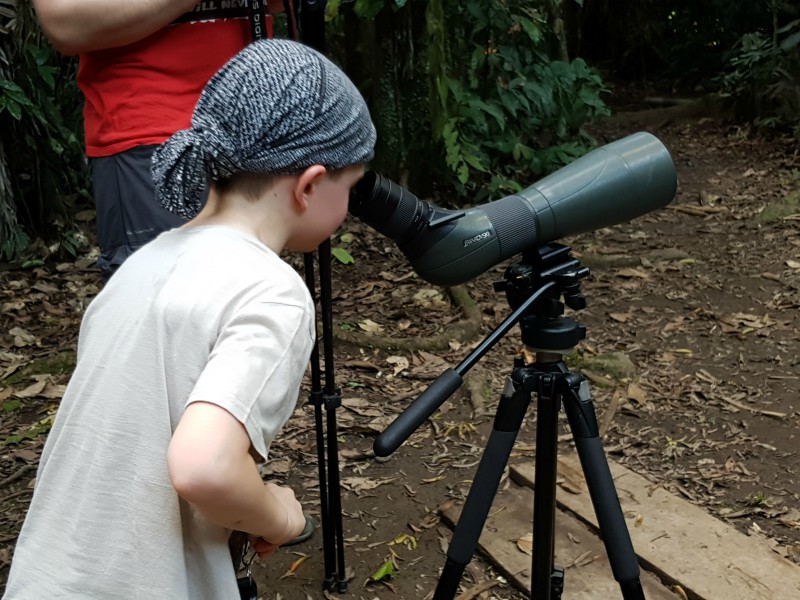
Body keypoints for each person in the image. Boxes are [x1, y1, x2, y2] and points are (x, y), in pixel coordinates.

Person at [2, 38, 376, 599]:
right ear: (310, 184)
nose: (348, 209)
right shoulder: (272, 292)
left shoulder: (141, 265)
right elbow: (205, 466)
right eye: (352, 187)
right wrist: (279, 516)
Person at [31, 0, 286, 278]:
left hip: (253, 130)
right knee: (170, 301)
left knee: (250, 294)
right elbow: (66, 23)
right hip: (152, 138)